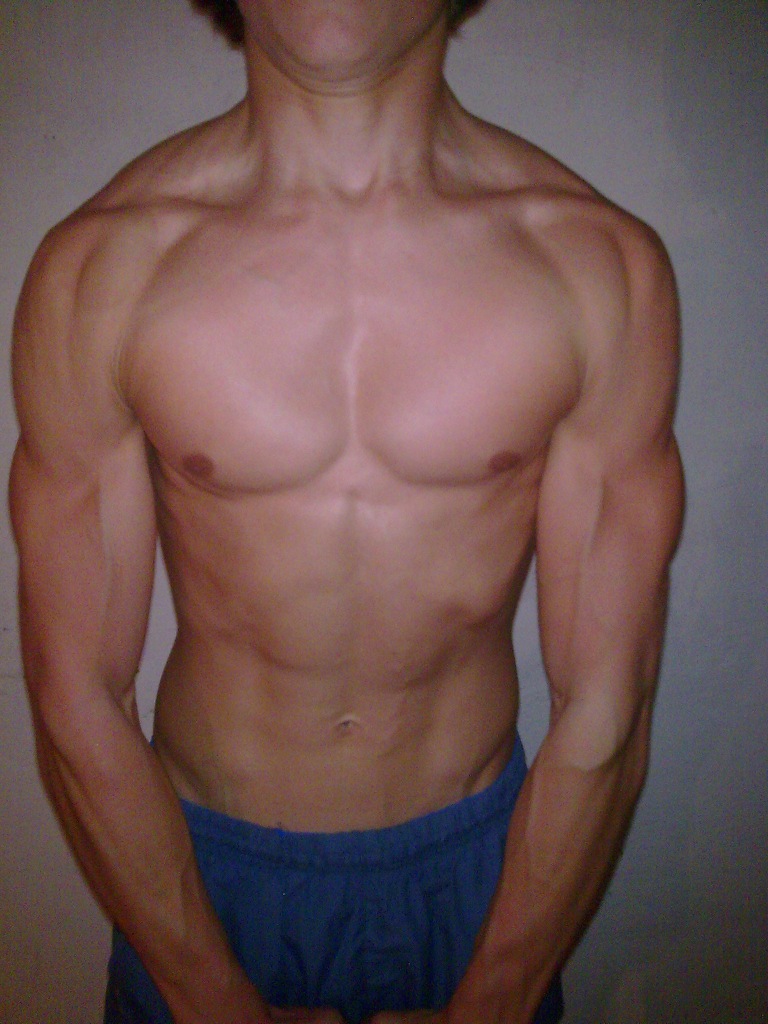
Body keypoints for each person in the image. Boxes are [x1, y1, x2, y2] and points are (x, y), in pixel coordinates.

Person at [8, 1, 684, 1022]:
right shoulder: (98, 273)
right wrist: (205, 994)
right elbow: (76, 694)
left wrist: (499, 995)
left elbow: (610, 697)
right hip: (193, 886)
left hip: (493, 889)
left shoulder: (601, 270)